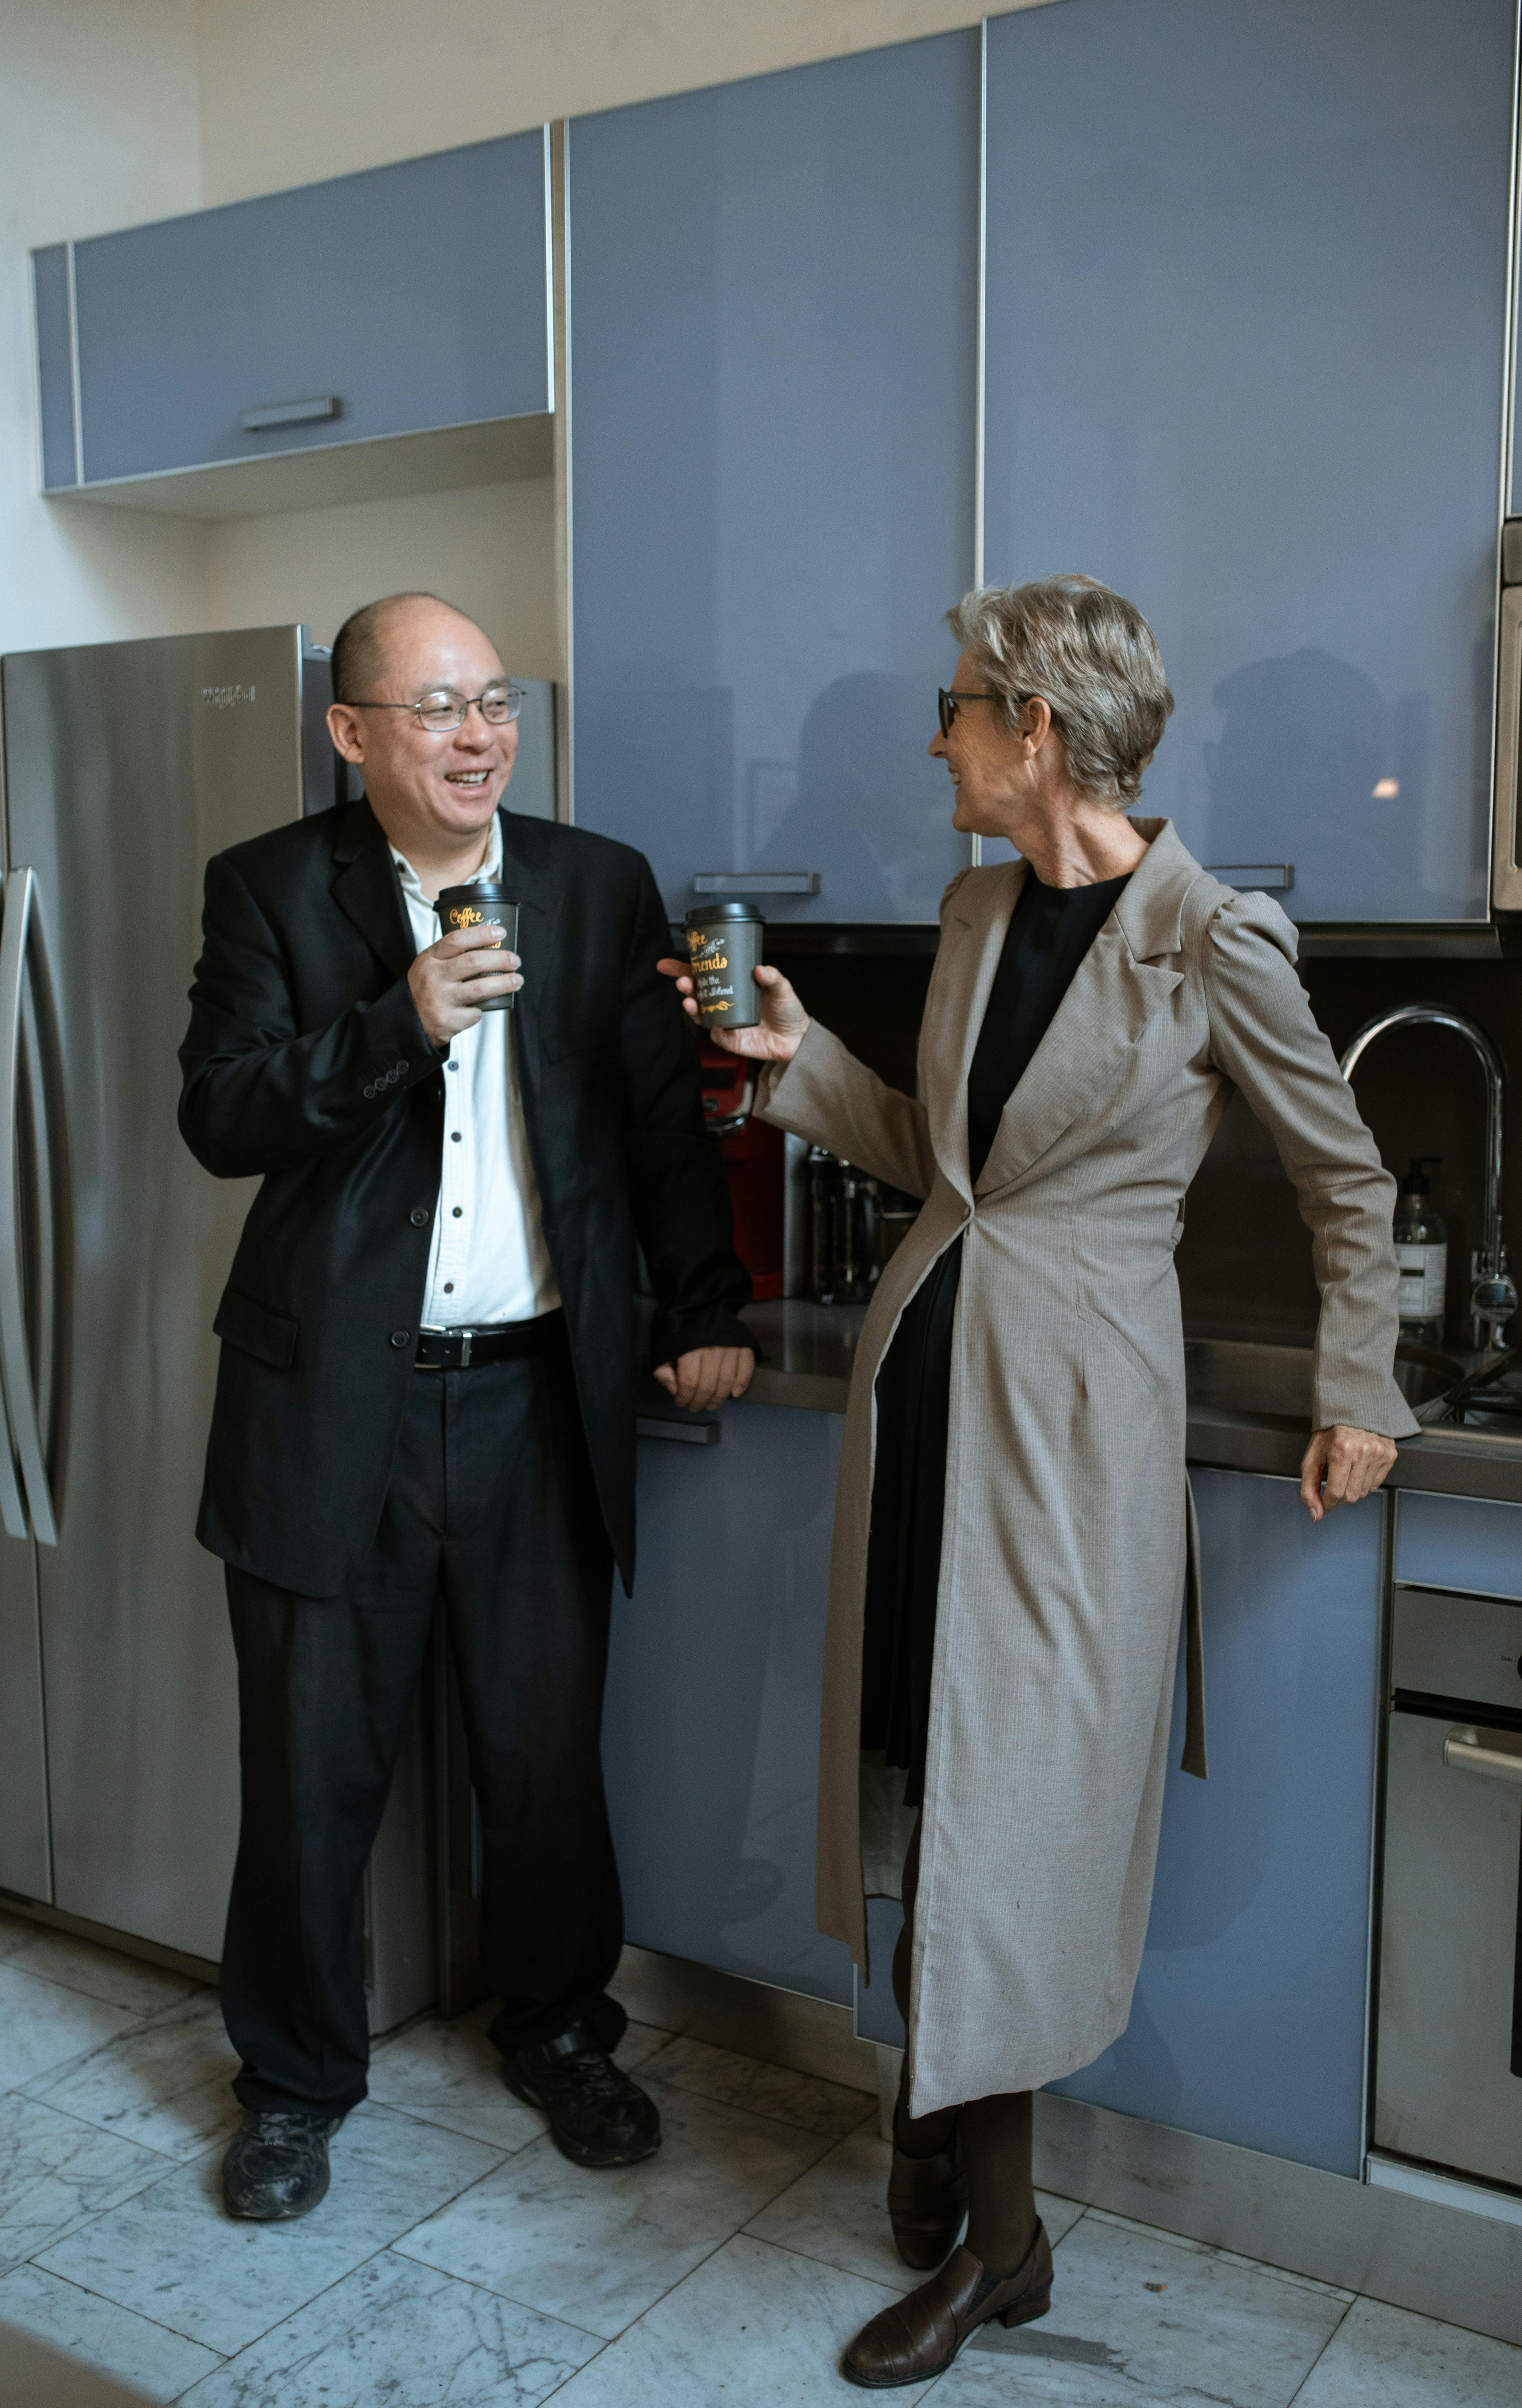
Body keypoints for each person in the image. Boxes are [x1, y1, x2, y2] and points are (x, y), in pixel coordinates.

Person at [662, 575, 1415, 2387]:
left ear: (1038, 732)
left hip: (1070, 1433)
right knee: (921, 1771)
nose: (933, 740)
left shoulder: (1210, 939)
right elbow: (945, 1163)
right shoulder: (977, 904)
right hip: (928, 1394)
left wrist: (1360, 1385)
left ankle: (1003, 2250)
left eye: (953, 710)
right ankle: (942, 2116)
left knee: (1010, 1819)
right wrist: (794, 1070)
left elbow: (1349, 1187)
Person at [180, 591, 755, 2221]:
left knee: (543, 1760)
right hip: (328, 1413)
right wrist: (396, 1026)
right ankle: (292, 2083)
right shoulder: (271, 890)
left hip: (531, 1403)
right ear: (352, 733)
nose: (478, 734)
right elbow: (220, 1116)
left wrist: (703, 1308)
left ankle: (562, 2030)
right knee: (306, 1774)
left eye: (493, 701)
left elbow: (658, 1125)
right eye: (434, 708)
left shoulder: (592, 884)